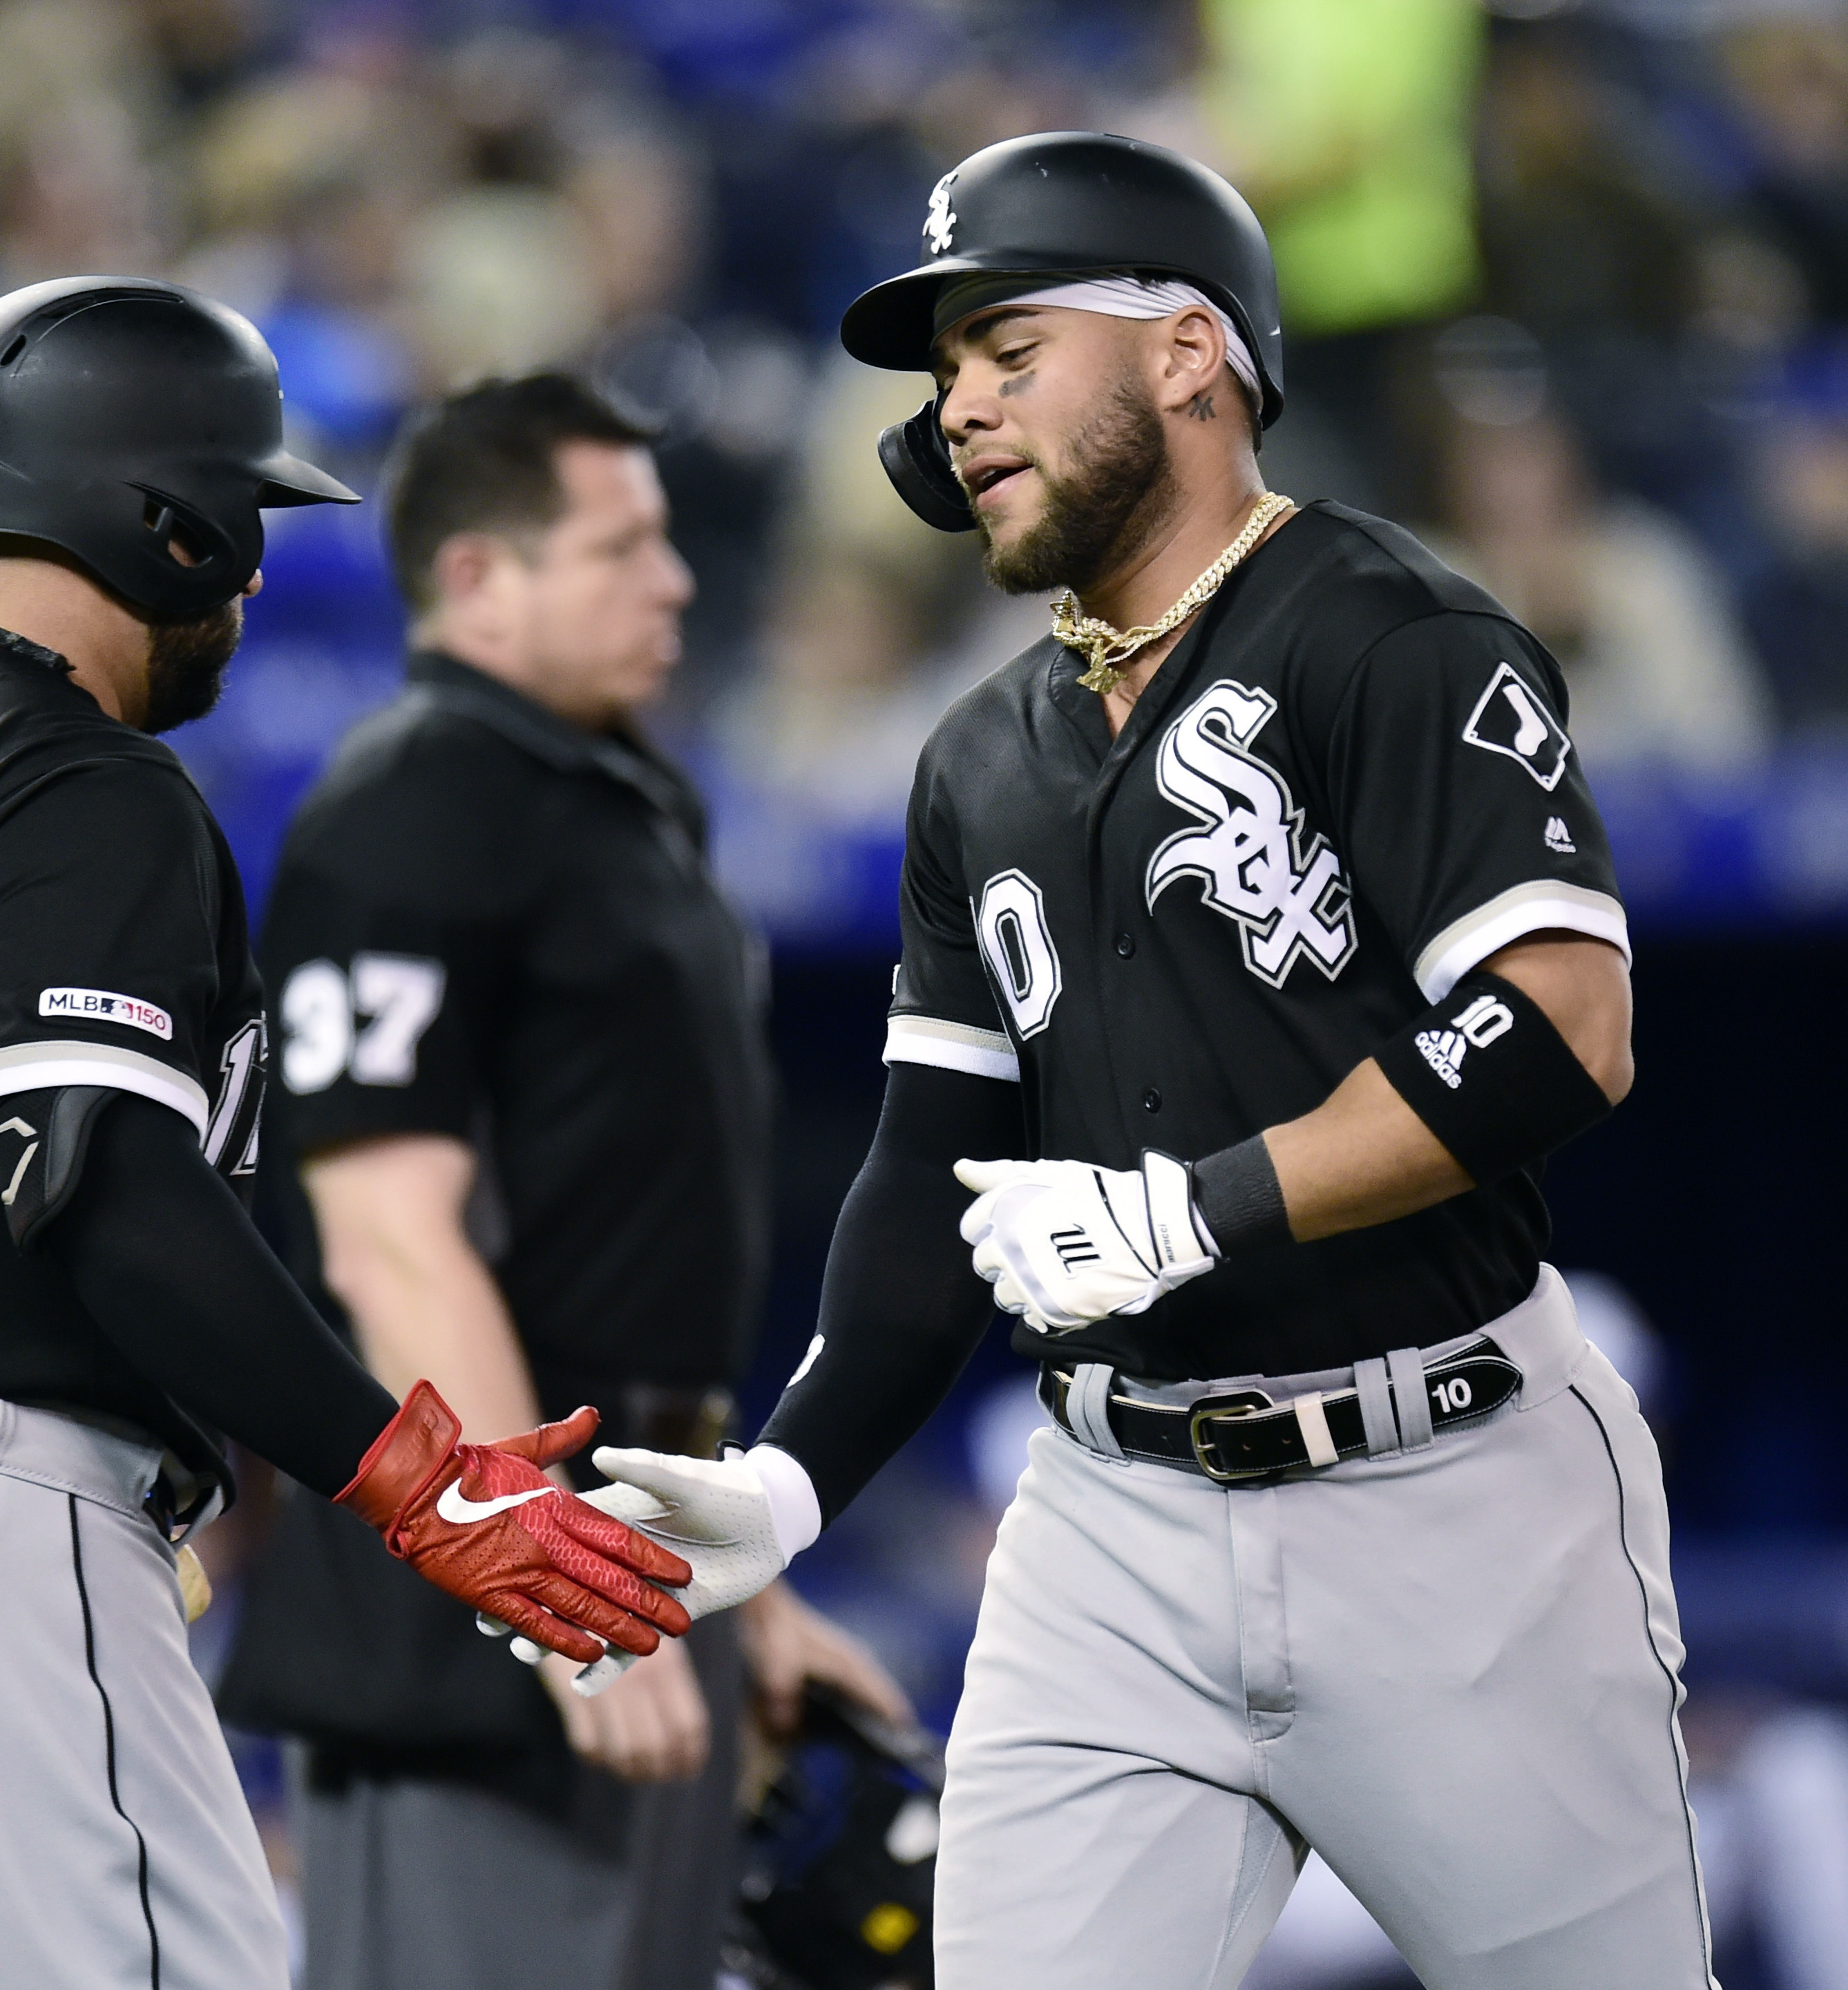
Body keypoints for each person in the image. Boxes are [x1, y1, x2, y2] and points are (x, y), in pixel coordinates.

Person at [586, 133, 1709, 1987]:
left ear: (1192, 354)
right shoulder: (976, 758)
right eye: (944, 372)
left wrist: (1193, 1212)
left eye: (1008, 350)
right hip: (1110, 1516)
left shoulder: (1392, 634)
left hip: (1451, 1493)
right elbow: (928, 1165)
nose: (957, 409)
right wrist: (789, 1488)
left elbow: (1562, 1030)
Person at [0, 278, 690, 1990]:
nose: (251, 573)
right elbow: (106, 1185)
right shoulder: (73, 778)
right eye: (236, 515)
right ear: (152, 518)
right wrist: (420, 1485)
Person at [218, 372, 906, 1990]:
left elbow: (628, 1253)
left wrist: (726, 1592)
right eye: (619, 548)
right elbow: (389, 1241)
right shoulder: (410, 808)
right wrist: (550, 1590)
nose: (673, 583)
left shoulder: (614, 799)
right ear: (478, 578)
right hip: (476, 1589)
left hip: (624, 1546)